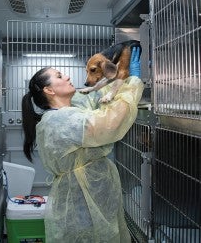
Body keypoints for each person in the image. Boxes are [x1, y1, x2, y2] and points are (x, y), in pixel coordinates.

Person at [21, 47, 143, 242]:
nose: (68, 77)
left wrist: (121, 76)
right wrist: (133, 83)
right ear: (49, 90)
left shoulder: (72, 108)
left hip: (93, 192)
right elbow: (111, 121)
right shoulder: (60, 120)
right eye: (59, 76)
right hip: (82, 196)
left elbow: (96, 98)